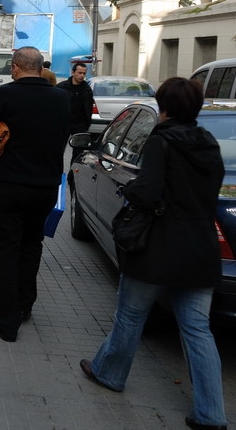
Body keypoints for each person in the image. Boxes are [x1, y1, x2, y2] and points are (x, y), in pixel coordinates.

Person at [80, 77, 227, 430]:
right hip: (201, 248)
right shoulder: (208, 142)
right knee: (197, 329)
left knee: (130, 316)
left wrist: (132, 191)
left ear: (164, 108)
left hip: (158, 246)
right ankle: (211, 414)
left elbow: (146, 190)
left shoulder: (162, 141)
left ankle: (109, 373)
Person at [0, 46, 70, 342]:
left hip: (10, 186)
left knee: (7, 249)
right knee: (32, 244)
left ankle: (7, 322)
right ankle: (25, 305)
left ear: (15, 67)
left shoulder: (6, 95)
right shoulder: (61, 99)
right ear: (39, 67)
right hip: (46, 188)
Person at [56, 62, 94, 168]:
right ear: (73, 72)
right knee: (58, 150)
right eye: (79, 73)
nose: (82, 75)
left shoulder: (86, 89)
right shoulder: (61, 87)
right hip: (64, 123)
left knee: (78, 153)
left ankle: (72, 177)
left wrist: (87, 123)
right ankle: (57, 173)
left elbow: (89, 107)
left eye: (84, 73)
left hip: (80, 124)